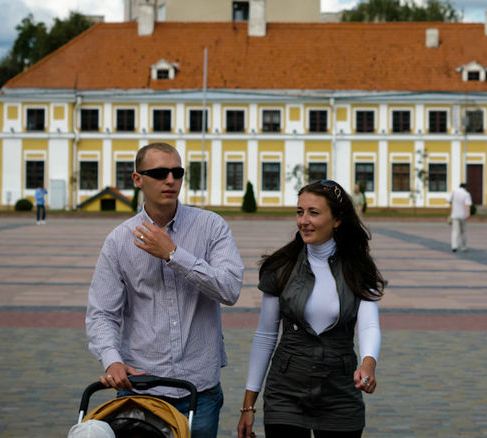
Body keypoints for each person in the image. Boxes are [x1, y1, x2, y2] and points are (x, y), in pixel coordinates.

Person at [86, 142, 244, 438]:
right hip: (143, 388)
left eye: (177, 172)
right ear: (137, 179)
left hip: (200, 388)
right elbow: (102, 313)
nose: (170, 180)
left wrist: (174, 254)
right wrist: (112, 359)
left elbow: (230, 289)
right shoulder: (119, 240)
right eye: (159, 173)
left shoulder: (211, 227)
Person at [237, 179, 384, 438]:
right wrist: (248, 405)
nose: (303, 220)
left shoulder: (359, 267)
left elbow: (369, 324)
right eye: (299, 211)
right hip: (285, 394)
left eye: (313, 213)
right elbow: (265, 336)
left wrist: (368, 363)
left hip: (340, 394)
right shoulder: (280, 267)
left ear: (337, 219)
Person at [447, 182, 473, 253]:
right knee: (463, 232)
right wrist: (468, 213)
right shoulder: (466, 194)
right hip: (463, 215)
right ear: (465, 187)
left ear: (459, 186)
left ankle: (454, 246)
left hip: (455, 214)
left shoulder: (454, 191)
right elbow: (467, 205)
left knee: (455, 231)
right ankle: (464, 247)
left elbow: (449, 200)